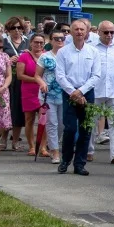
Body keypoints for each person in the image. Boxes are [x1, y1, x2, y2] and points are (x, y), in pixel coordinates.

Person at [55, 19, 100, 175]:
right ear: (71, 32)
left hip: (87, 92)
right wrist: (72, 92)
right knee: (70, 129)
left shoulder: (93, 52)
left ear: (87, 32)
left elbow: (96, 75)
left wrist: (81, 91)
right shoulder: (63, 52)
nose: (79, 32)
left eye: (82, 29)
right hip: (69, 93)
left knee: (86, 129)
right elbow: (60, 75)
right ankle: (65, 160)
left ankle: (79, 164)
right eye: (76, 29)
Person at [88, 21, 114, 166]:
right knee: (92, 122)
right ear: (98, 32)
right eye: (106, 32)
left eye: (112, 32)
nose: (109, 35)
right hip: (96, 91)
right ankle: (89, 151)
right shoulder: (91, 47)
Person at [36, 30, 66, 163]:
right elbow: (37, 75)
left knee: (62, 124)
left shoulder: (68, 55)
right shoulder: (45, 56)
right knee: (52, 123)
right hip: (48, 95)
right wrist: (42, 82)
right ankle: (55, 152)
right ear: (51, 41)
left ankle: (52, 143)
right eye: (56, 38)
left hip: (64, 94)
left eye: (62, 38)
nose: (59, 41)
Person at [15, 33, 47, 156]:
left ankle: (43, 147)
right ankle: (32, 146)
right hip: (28, 91)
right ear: (31, 43)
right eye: (36, 42)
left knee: (44, 120)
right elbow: (20, 75)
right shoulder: (24, 56)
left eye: (41, 42)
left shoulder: (46, 55)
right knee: (29, 119)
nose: (38, 44)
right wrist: (37, 79)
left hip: (43, 91)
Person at [2, 16, 28, 151]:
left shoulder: (28, 42)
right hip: (8, 79)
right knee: (7, 109)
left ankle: (16, 140)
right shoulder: (3, 42)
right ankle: (3, 139)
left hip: (23, 80)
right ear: (8, 30)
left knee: (19, 110)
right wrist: (8, 60)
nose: (17, 30)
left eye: (19, 28)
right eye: (13, 28)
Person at [0, 33, 12, 154]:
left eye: (0, 47)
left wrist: (4, 86)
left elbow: (9, 75)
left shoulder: (4, 57)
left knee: (2, 118)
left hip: (2, 91)